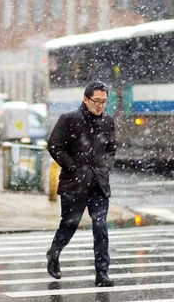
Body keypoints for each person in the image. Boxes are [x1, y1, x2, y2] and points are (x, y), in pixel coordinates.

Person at [46, 81, 117, 287]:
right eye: (97, 101)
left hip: (99, 186)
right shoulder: (69, 119)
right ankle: (54, 254)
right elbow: (54, 145)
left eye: (104, 102)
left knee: (101, 227)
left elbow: (111, 148)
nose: (100, 105)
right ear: (85, 99)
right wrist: (72, 167)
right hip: (74, 185)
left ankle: (102, 273)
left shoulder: (108, 122)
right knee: (68, 226)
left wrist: (104, 167)